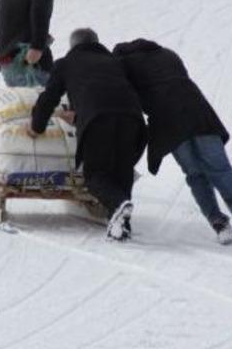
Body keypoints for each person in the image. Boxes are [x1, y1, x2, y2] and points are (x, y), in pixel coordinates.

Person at [112, 38, 232, 247]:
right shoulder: (168, 54)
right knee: (220, 168)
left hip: (168, 121)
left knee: (195, 174)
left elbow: (124, 95)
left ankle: (220, 224)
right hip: (199, 111)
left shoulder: (123, 63)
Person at [29, 29, 147, 241]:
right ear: (96, 43)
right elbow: (113, 91)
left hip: (97, 120)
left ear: (72, 46)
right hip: (133, 119)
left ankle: (119, 204)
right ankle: (121, 227)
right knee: (122, 172)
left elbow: (49, 98)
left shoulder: (66, 63)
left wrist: (37, 127)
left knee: (94, 176)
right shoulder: (116, 62)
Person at [0, 0, 67, 87]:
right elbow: (40, 15)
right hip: (27, 60)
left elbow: (15, 24)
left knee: (23, 98)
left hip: (6, 61)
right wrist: (37, 46)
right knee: (49, 96)